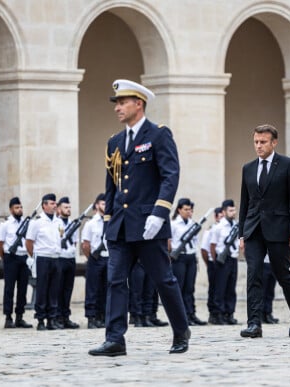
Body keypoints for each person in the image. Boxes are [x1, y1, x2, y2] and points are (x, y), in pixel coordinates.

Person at [89, 79, 190, 357]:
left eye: (122, 102)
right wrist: (108, 222)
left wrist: (160, 212)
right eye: (116, 103)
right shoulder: (115, 142)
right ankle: (115, 339)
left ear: (139, 104)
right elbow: (111, 184)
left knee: (163, 280)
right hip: (120, 226)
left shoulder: (158, 135)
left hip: (148, 225)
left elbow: (171, 175)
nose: (117, 108)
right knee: (116, 281)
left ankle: (181, 330)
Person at [239, 124, 290, 339]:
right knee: (253, 275)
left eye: (263, 142)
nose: (258, 146)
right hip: (253, 230)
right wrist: (241, 234)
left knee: (283, 274)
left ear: (274, 142)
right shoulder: (248, 168)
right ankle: (254, 324)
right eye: (256, 142)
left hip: (278, 229)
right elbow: (245, 203)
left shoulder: (287, 165)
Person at [25, 193, 62, 331]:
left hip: (55, 258)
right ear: (44, 205)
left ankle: (51, 319)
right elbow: (29, 242)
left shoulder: (58, 222)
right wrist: (34, 256)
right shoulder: (37, 222)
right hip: (43, 257)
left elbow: (61, 237)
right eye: (52, 204)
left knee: (54, 289)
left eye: (55, 204)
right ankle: (40, 319)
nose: (54, 206)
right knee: (42, 289)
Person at [0, 197, 33, 329]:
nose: (20, 210)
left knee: (22, 289)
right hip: (10, 258)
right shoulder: (5, 224)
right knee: (9, 289)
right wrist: (4, 257)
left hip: (23, 258)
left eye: (21, 207)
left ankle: (20, 317)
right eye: (17, 208)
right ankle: (8, 317)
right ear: (11, 209)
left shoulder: (26, 223)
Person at [170, 198, 206, 326]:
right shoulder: (173, 224)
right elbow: (169, 242)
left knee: (190, 288)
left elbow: (195, 242)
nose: (188, 212)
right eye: (186, 209)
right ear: (179, 210)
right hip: (179, 257)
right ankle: (181, 316)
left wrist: (195, 257)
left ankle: (191, 314)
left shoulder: (192, 224)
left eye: (190, 210)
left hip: (190, 257)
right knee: (180, 287)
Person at [210, 199, 239, 326]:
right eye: (230, 210)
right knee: (220, 288)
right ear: (224, 211)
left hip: (233, 258)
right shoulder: (218, 227)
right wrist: (216, 261)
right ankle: (218, 314)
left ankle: (229, 313)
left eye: (234, 210)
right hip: (222, 260)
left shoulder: (236, 225)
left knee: (231, 288)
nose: (233, 212)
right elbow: (212, 246)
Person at [82, 193, 108, 329]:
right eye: (103, 203)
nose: (106, 206)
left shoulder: (110, 222)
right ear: (97, 205)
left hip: (108, 258)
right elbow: (85, 245)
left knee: (105, 290)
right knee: (92, 289)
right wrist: (92, 258)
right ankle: (91, 318)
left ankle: (102, 316)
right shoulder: (90, 224)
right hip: (95, 259)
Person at [56, 197, 80, 329]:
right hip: (60, 258)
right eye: (66, 207)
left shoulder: (73, 223)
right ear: (59, 209)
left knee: (68, 289)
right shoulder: (56, 223)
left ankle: (66, 316)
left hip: (70, 258)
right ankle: (58, 316)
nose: (68, 209)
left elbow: (75, 241)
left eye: (69, 207)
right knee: (58, 289)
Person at [200, 207, 223, 324]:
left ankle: (222, 313)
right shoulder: (210, 230)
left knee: (222, 288)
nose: (222, 218)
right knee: (213, 288)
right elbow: (204, 250)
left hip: (222, 262)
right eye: (220, 216)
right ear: (216, 217)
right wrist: (209, 264)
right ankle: (213, 314)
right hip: (212, 262)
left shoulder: (226, 229)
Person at [262, 254, 280, 324]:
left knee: (270, 291)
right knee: (262, 291)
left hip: (273, 263)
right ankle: (261, 314)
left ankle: (268, 313)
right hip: (263, 263)